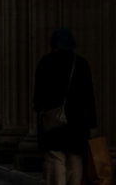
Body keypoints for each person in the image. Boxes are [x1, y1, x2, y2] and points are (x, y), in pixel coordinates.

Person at [33, 28, 98, 185]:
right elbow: (89, 95)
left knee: (56, 158)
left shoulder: (46, 62)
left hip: (54, 120)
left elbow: (38, 93)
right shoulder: (81, 64)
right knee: (75, 159)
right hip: (78, 122)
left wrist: (40, 110)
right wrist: (92, 122)